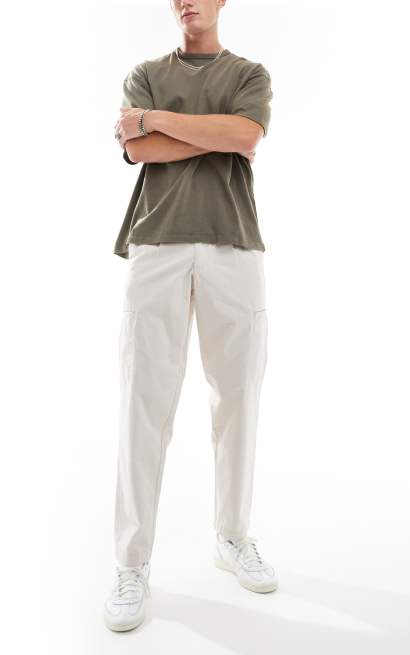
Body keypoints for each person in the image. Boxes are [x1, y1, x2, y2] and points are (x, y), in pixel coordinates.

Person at [104, 0, 277, 633]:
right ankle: (131, 564)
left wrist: (156, 123)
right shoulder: (145, 73)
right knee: (143, 402)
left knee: (238, 398)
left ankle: (232, 537)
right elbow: (139, 149)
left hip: (233, 245)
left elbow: (246, 137)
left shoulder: (248, 74)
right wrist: (206, 132)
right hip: (157, 245)